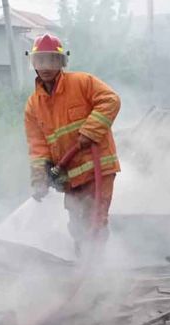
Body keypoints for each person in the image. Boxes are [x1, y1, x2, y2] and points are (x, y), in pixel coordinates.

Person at [24, 33, 121, 256]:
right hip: (70, 176)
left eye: (51, 60)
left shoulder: (82, 83)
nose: (46, 67)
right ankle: (82, 266)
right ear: (33, 64)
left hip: (98, 170)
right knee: (77, 225)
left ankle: (96, 271)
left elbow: (111, 100)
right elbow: (38, 147)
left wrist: (90, 132)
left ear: (61, 63)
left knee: (95, 221)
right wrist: (40, 179)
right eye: (40, 61)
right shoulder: (33, 106)